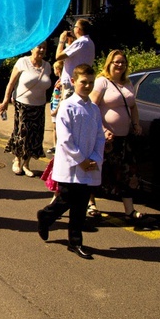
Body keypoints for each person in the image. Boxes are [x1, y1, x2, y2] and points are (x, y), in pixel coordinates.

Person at [36, 64, 105, 260]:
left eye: (91, 83)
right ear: (74, 82)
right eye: (84, 82)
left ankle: (75, 242)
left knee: (81, 205)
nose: (88, 86)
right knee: (65, 200)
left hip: (88, 166)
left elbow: (99, 137)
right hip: (70, 165)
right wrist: (80, 159)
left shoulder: (93, 109)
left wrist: (95, 158)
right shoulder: (67, 106)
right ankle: (46, 216)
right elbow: (65, 138)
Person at [89, 50, 150, 224]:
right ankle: (91, 203)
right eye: (116, 62)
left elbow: (133, 107)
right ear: (109, 63)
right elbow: (91, 108)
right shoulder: (102, 83)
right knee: (99, 171)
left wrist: (136, 124)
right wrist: (102, 129)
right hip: (106, 139)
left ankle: (129, 211)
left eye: (123, 62)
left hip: (124, 138)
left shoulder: (128, 83)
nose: (120, 65)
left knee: (127, 173)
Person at [0, 41, 52, 176]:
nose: (41, 50)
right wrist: (5, 100)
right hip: (22, 104)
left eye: (44, 48)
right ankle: (17, 160)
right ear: (32, 49)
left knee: (35, 135)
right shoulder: (22, 62)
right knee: (22, 133)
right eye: (39, 47)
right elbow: (11, 83)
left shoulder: (47, 66)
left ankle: (26, 164)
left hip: (39, 106)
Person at [55, 18, 95, 99]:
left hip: (72, 83)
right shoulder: (89, 42)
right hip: (79, 81)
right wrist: (70, 43)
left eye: (75, 26)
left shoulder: (80, 42)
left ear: (78, 29)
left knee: (67, 107)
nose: (73, 29)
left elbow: (58, 56)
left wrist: (61, 41)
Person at [47, 60, 64, 155]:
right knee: (54, 127)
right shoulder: (59, 80)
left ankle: (58, 146)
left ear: (57, 69)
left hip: (57, 107)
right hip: (54, 105)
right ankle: (55, 145)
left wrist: (56, 110)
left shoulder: (62, 82)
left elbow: (62, 97)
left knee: (57, 127)